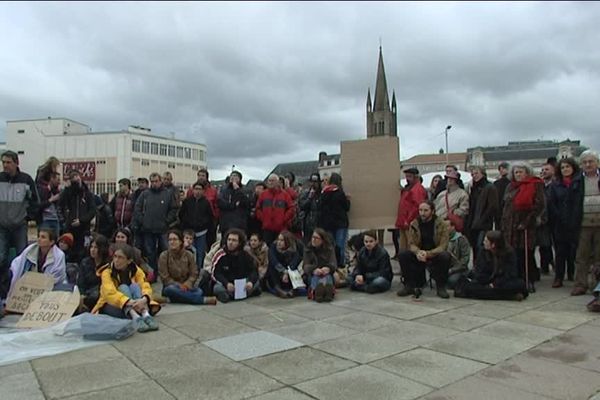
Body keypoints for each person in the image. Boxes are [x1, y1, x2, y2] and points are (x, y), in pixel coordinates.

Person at [92, 243, 160, 332]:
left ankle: (145, 314)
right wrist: (128, 301)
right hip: (111, 305)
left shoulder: (135, 270)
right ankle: (135, 316)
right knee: (123, 287)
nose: (116, 260)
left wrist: (144, 299)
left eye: (120, 257)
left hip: (134, 303)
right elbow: (110, 293)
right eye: (115, 256)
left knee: (135, 286)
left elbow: (145, 285)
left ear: (129, 261)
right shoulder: (107, 272)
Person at [0, 150, 40, 302]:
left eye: (8, 162)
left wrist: (29, 217)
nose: (5, 165)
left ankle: (21, 294)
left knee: (22, 258)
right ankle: (3, 292)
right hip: (2, 225)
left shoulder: (26, 179)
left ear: (16, 163)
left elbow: (35, 200)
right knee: (1, 259)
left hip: (19, 225)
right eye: (3, 162)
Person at [501, 162, 545, 293]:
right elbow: (505, 205)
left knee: (525, 254)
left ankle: (528, 280)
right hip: (509, 226)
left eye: (521, 172)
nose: (518, 175)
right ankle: (516, 279)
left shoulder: (535, 185)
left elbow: (539, 205)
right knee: (512, 253)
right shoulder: (510, 186)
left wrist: (527, 221)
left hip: (525, 226)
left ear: (527, 172)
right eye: (516, 172)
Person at [397, 201, 451, 299]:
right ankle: (408, 285)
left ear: (432, 211)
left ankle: (441, 287)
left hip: (434, 253)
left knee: (445, 256)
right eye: (420, 210)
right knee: (403, 254)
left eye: (426, 210)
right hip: (419, 253)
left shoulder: (441, 224)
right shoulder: (414, 223)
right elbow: (411, 243)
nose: (422, 213)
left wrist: (428, 254)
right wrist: (418, 252)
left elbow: (443, 245)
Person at [454, 231, 528, 301]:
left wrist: (495, 283)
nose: (483, 243)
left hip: (502, 282)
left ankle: (495, 294)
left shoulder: (509, 253)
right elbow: (479, 271)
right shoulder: (483, 252)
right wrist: (487, 282)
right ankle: (508, 296)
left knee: (519, 284)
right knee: (466, 285)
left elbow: (511, 273)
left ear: (493, 244)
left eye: (486, 241)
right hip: (486, 281)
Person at [132, 172, 178, 277]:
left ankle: (167, 274)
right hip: (148, 229)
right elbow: (137, 208)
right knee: (150, 253)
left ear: (160, 181)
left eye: (156, 181)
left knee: (166, 252)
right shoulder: (145, 194)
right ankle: (153, 274)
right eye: (152, 181)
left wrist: (167, 221)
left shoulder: (167, 193)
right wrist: (142, 221)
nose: (154, 184)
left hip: (163, 229)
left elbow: (174, 209)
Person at [159, 230, 217, 305]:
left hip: (187, 286)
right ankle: (201, 300)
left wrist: (188, 283)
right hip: (172, 286)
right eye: (170, 240)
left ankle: (172, 300)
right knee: (170, 289)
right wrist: (179, 286)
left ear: (180, 241)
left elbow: (194, 273)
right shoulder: (164, 256)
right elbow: (165, 278)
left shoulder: (189, 255)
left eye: (174, 239)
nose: (172, 242)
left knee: (199, 291)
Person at [548, 158, 580, 287]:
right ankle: (559, 277)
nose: (565, 169)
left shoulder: (579, 182)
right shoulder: (555, 185)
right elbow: (552, 203)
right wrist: (559, 216)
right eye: (562, 167)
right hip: (560, 222)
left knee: (575, 251)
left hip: (576, 221)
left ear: (573, 168)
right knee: (560, 251)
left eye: (567, 167)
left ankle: (573, 274)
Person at [571, 150, 600, 296]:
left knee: (599, 257)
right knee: (582, 256)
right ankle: (580, 284)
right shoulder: (576, 181)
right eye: (585, 162)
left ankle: (597, 285)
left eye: (591, 161)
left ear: (597, 163)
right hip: (583, 224)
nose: (588, 164)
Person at [8, 229, 66, 297]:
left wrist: (41, 283)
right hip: (30, 284)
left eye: (43, 237)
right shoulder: (30, 249)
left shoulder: (59, 255)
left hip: (50, 287)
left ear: (51, 242)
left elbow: (58, 276)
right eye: (39, 236)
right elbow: (17, 264)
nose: (39, 239)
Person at [212, 229, 260, 303]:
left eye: (234, 240)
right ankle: (231, 295)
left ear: (239, 243)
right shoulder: (221, 254)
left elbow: (254, 271)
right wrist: (226, 283)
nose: (230, 242)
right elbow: (216, 273)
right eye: (229, 240)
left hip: (242, 284)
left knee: (256, 283)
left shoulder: (246, 255)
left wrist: (250, 282)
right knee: (217, 288)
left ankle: (234, 295)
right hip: (228, 284)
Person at [59, 169, 96, 262]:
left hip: (83, 229)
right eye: (72, 178)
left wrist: (82, 221)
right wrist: (66, 220)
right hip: (70, 228)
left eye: (77, 177)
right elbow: (61, 205)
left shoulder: (87, 194)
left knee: (82, 253)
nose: (75, 179)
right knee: (68, 253)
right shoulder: (68, 193)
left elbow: (92, 211)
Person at [393, 168, 428, 259]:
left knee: (411, 247)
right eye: (406, 176)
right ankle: (404, 266)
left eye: (409, 176)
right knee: (403, 247)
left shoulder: (417, 189)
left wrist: (408, 220)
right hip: (404, 222)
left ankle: (409, 267)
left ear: (416, 177)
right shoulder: (409, 188)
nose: (407, 179)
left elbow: (418, 207)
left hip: (409, 223)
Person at [465, 166, 498, 258]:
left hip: (483, 223)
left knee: (482, 247)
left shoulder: (489, 187)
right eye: (472, 174)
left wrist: (483, 219)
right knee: (475, 247)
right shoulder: (473, 188)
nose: (474, 176)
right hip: (473, 222)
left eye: (476, 173)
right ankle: (477, 267)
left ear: (482, 174)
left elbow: (493, 206)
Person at [319, 172, 351, 267]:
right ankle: (340, 265)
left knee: (330, 246)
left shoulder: (324, 193)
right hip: (340, 223)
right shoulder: (340, 193)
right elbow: (346, 207)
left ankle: (332, 265)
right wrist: (348, 200)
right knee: (340, 246)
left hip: (328, 224)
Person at [179, 182, 213, 267]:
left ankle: (198, 270)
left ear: (203, 191)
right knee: (188, 252)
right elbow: (181, 214)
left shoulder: (206, 202)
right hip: (189, 232)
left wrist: (204, 224)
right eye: (196, 189)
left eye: (200, 189)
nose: (197, 191)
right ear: (193, 190)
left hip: (201, 232)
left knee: (200, 252)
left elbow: (210, 216)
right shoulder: (187, 201)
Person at [256, 174, 295, 245]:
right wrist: (263, 218)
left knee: (280, 248)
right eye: (269, 181)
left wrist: (283, 219)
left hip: (280, 229)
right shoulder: (263, 195)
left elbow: (291, 208)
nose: (270, 182)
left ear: (277, 182)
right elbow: (258, 208)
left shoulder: (285, 195)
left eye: (272, 181)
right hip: (267, 228)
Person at [187, 168, 219, 250]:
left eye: (203, 176)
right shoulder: (191, 190)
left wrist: (215, 218)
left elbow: (216, 206)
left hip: (209, 223)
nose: (201, 177)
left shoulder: (213, 191)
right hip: (194, 224)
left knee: (209, 245)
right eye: (199, 175)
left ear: (207, 177)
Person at [302, 228, 337, 302]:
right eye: (313, 237)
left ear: (322, 240)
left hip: (325, 272)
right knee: (316, 277)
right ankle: (315, 292)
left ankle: (328, 292)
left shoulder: (329, 249)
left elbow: (333, 263)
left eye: (316, 238)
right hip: (313, 273)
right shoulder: (307, 249)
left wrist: (328, 268)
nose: (313, 240)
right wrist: (314, 269)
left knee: (327, 276)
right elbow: (305, 265)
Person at [77, 234, 111, 311]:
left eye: (96, 247)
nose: (92, 250)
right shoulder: (85, 262)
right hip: (86, 295)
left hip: (101, 296)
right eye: (91, 247)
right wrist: (82, 295)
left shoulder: (108, 264)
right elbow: (81, 283)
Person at [267, 230, 304, 298]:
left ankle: (294, 290)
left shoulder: (295, 248)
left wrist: (287, 273)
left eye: (282, 240)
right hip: (279, 273)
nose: (279, 242)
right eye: (278, 239)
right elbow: (274, 261)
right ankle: (278, 289)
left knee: (297, 269)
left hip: (290, 273)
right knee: (271, 266)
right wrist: (283, 272)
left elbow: (294, 263)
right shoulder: (273, 247)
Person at [537, 163, 556, 276]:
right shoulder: (540, 185)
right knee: (544, 245)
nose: (544, 171)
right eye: (542, 169)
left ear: (553, 171)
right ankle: (545, 266)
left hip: (555, 218)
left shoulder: (557, 184)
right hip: (544, 219)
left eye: (547, 169)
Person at [217, 170, 250, 235]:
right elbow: (220, 203)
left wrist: (237, 190)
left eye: (236, 176)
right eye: (232, 176)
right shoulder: (223, 190)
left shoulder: (245, 190)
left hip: (239, 224)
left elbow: (246, 203)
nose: (233, 178)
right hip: (226, 223)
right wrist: (233, 205)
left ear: (240, 179)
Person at [447, 219, 471, 289]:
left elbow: (465, 258)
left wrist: (453, 270)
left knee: (452, 281)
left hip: (458, 269)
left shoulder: (462, 239)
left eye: (446, 226)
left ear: (453, 227)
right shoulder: (442, 238)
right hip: (446, 268)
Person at [299, 172, 322, 245]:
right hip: (308, 224)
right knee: (308, 245)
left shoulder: (322, 194)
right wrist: (309, 198)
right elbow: (302, 206)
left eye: (315, 182)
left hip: (320, 224)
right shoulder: (306, 193)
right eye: (312, 181)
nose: (313, 184)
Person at [494, 162, 511, 229]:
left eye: (504, 168)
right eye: (500, 169)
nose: (501, 170)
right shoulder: (496, 183)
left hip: (506, 210)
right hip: (499, 211)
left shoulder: (512, 182)